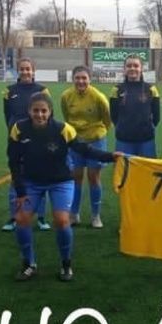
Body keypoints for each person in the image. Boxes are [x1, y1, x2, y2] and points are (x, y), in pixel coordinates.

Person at [8, 93, 120, 281]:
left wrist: (110, 156)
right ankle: (28, 264)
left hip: (60, 181)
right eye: (36, 111)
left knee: (61, 220)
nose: (40, 115)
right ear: (29, 111)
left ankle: (66, 264)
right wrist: (20, 191)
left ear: (50, 111)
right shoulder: (18, 129)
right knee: (21, 218)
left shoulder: (62, 129)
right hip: (31, 182)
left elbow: (84, 149)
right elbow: (13, 161)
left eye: (44, 111)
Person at [1, 57, 51, 232]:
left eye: (28, 69)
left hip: (38, 138)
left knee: (41, 176)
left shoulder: (42, 90)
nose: (25, 72)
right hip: (17, 139)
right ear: (18, 70)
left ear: (33, 70)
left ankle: (41, 217)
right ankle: (14, 217)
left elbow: (48, 115)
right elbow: (7, 115)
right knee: (16, 177)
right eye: (22, 69)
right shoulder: (9, 91)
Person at [61, 65, 112, 228]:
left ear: (90, 79)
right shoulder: (66, 96)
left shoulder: (98, 97)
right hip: (75, 142)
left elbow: (107, 120)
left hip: (95, 140)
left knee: (93, 177)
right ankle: (74, 214)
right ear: (73, 79)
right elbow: (66, 118)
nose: (81, 81)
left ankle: (95, 215)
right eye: (77, 78)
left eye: (84, 78)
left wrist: (96, 134)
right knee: (76, 176)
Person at [110, 54, 160, 158]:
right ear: (124, 69)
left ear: (141, 69)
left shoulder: (151, 89)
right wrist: (123, 129)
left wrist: (146, 129)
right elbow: (114, 116)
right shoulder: (116, 89)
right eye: (129, 66)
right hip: (124, 140)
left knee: (147, 168)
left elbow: (156, 117)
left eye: (136, 66)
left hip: (146, 140)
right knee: (124, 168)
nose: (132, 68)